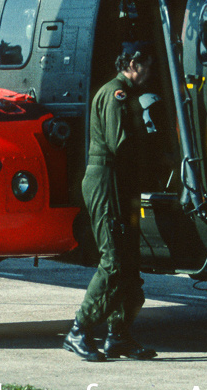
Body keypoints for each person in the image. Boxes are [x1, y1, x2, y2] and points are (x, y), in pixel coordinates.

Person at [65, 42, 164, 361]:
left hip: (121, 182)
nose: (149, 72)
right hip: (107, 179)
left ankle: (119, 335)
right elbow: (121, 144)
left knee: (130, 266)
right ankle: (79, 330)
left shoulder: (126, 95)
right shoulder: (116, 94)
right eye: (146, 65)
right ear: (133, 63)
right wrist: (158, 152)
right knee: (113, 261)